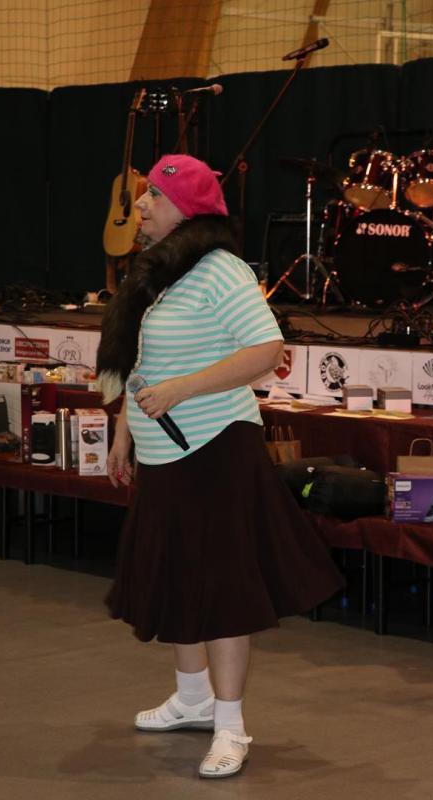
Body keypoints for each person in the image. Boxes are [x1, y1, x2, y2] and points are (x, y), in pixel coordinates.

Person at [96, 154, 344, 779]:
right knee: (178, 575)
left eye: (154, 195)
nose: (141, 205)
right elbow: (140, 361)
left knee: (224, 589)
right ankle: (192, 698)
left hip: (215, 449)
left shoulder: (220, 270)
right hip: (163, 452)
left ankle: (230, 725)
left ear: (187, 208)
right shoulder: (156, 273)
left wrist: (183, 389)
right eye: (143, 194)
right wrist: (124, 432)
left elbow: (267, 350)